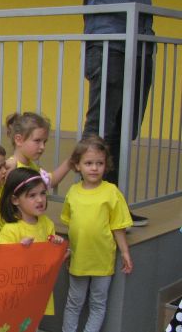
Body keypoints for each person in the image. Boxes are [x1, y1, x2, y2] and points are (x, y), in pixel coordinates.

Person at [77, 0, 182, 227]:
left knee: (124, 129)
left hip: (141, 42)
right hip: (110, 42)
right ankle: (89, 205)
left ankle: (114, 203)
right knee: (102, 126)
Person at [61, 135, 133, 332]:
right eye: (89, 163)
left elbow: (118, 225)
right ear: (77, 165)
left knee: (98, 303)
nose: (94, 168)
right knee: (74, 302)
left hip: (102, 259)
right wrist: (69, 251)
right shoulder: (73, 192)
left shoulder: (111, 192)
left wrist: (125, 252)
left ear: (106, 165)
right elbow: (71, 226)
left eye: (99, 163)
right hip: (79, 259)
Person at [0, 167, 65, 316]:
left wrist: (59, 251)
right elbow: (3, 266)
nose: (40, 200)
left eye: (42, 193)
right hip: (18, 295)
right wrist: (20, 251)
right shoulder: (10, 230)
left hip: (39, 290)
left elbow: (51, 263)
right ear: (15, 200)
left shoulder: (47, 224)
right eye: (32, 195)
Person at [4, 112, 70, 189]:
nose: (42, 147)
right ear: (19, 140)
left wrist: (70, 162)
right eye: (37, 141)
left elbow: (49, 181)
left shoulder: (32, 166)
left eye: (44, 142)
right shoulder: (10, 168)